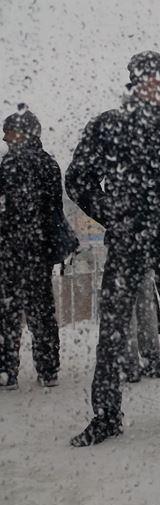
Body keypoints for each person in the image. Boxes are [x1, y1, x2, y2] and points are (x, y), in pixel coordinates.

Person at [65, 51, 160, 446]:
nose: (157, 83)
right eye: (148, 77)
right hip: (127, 245)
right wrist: (112, 214)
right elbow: (78, 178)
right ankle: (107, 416)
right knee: (112, 331)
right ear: (134, 81)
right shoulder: (108, 127)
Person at [0, 105, 72, 390]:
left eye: (7, 133)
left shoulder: (9, 164)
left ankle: (6, 371)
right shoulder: (49, 164)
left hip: (9, 250)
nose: (4, 138)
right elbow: (53, 209)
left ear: (20, 133)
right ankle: (48, 369)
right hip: (40, 251)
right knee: (41, 310)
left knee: (7, 312)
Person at [122, 270, 160, 383]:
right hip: (144, 257)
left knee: (126, 304)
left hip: (122, 258)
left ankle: (130, 364)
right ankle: (153, 360)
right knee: (145, 304)